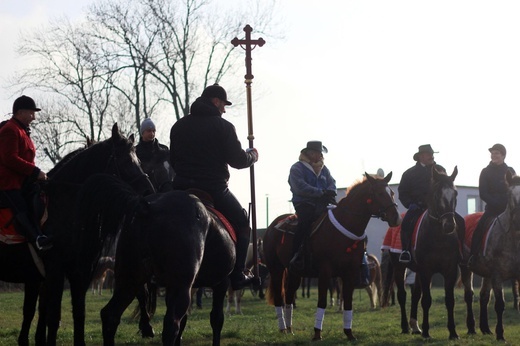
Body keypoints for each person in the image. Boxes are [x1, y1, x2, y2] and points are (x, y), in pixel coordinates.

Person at [169, 84, 259, 291]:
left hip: (180, 188)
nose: (224, 110)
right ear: (216, 101)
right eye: (223, 105)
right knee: (243, 222)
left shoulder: (179, 126)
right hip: (214, 188)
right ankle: (237, 274)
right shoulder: (224, 127)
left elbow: (173, 160)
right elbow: (237, 160)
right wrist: (252, 156)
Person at [0, 95, 51, 251]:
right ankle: (36, 238)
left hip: (22, 182)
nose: (34, 117)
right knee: (21, 206)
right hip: (7, 184)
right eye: (31, 113)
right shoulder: (10, 129)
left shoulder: (22, 131)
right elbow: (9, 158)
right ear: (20, 112)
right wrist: (35, 172)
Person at [288, 141, 337, 272]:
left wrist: (331, 191)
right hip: (304, 203)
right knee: (305, 222)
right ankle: (296, 254)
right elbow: (300, 187)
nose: (321, 156)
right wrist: (321, 192)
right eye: (319, 153)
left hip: (323, 203)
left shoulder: (324, 169)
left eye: (321, 154)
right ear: (310, 153)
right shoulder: (297, 168)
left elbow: (332, 183)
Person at [468, 144, 515, 266]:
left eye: (497, 153)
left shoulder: (510, 171)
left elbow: (514, 190)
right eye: (492, 153)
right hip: (492, 210)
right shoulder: (485, 172)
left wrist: (507, 204)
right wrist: (496, 203)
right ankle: (473, 257)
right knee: (479, 229)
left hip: (509, 210)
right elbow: (483, 193)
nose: (494, 155)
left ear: (503, 155)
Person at [398, 144, 445, 263]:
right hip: (418, 208)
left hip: (438, 209)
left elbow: (447, 188)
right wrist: (410, 204)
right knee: (406, 223)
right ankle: (406, 251)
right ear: (421, 157)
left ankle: (459, 252)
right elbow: (402, 192)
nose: (432, 157)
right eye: (429, 154)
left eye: (432, 154)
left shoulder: (440, 170)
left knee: (457, 221)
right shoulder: (409, 173)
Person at [135, 117, 174, 192]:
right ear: (143, 132)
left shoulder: (164, 150)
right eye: (149, 131)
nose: (152, 134)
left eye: (153, 131)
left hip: (164, 189)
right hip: (144, 190)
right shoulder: (136, 152)